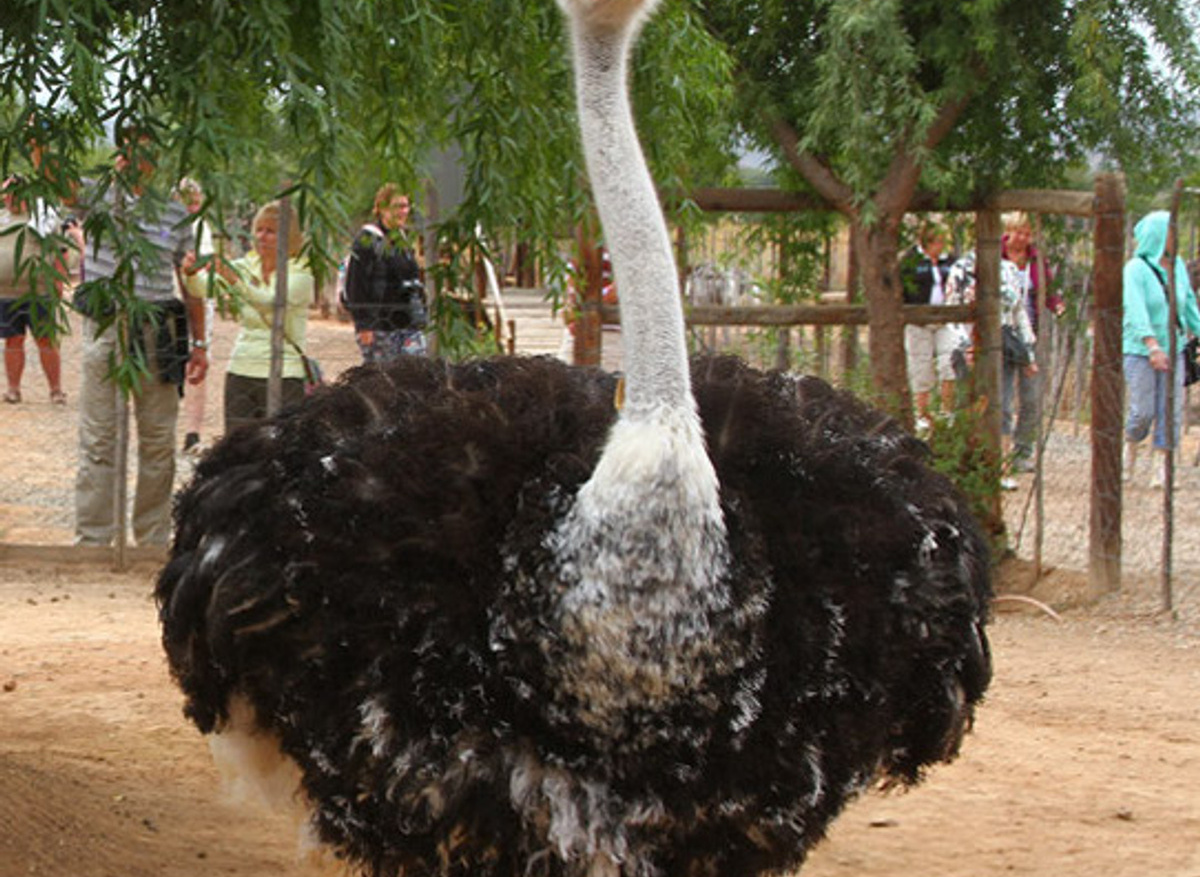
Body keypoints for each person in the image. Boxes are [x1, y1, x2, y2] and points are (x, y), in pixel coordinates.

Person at [74, 127, 208, 547]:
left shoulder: (173, 212)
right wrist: (39, 134)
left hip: (158, 330)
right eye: (127, 147)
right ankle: (94, 540)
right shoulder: (97, 196)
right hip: (107, 325)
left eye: (143, 148)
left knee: (157, 440)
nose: (133, 157)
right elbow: (54, 182)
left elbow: (189, 284)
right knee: (98, 438)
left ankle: (152, 538)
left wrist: (200, 343)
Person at [203, 199, 313, 434]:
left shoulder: (302, 273)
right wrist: (190, 273)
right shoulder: (244, 266)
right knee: (238, 450)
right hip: (241, 369)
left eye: (270, 231)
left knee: (281, 450)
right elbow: (204, 288)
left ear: (288, 237)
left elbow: (272, 303)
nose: (262, 237)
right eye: (259, 230)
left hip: (285, 373)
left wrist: (236, 282)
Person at [1122, 210, 1200, 487]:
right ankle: (1129, 450)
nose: (1175, 237)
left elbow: (1188, 304)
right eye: (1170, 231)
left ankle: (1161, 467)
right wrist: (1151, 344)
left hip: (1175, 347)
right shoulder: (1135, 270)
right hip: (1140, 350)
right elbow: (1135, 308)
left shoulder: (1178, 265)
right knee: (1142, 411)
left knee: (1171, 409)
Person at [0, 175, 70, 405]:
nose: (7, 198)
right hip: (6, 293)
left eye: (11, 192)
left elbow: (60, 250)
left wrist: (59, 281)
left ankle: (56, 390)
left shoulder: (43, 218)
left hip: (39, 291)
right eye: (5, 193)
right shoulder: (1, 218)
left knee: (46, 340)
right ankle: (13, 389)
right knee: (13, 340)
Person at [1000, 212, 1060, 471]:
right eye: (1019, 233)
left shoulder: (1036, 259)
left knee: (1032, 397)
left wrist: (1056, 305)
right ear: (1008, 232)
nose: (1023, 239)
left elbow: (1047, 290)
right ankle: (999, 451)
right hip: (1002, 334)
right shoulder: (994, 256)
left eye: (1027, 234)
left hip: (1029, 334)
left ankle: (1022, 452)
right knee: (1001, 399)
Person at [343, 184, 427, 363]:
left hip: (408, 324)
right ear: (382, 208)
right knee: (383, 383)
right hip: (380, 327)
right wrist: (364, 325)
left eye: (406, 206)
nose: (403, 211)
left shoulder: (403, 239)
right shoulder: (367, 240)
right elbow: (356, 285)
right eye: (398, 206)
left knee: (416, 377)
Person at [900, 220, 957, 426]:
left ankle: (946, 411)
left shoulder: (949, 261)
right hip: (919, 322)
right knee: (920, 366)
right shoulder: (910, 261)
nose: (940, 246)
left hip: (946, 320)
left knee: (949, 362)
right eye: (936, 242)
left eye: (943, 242)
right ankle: (923, 415)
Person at [175, 177, 216, 453]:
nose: (192, 204)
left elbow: (205, 266)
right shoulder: (168, 225)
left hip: (198, 298)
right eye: (186, 199)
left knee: (198, 359)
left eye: (195, 199)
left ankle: (192, 431)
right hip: (168, 300)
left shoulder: (202, 228)